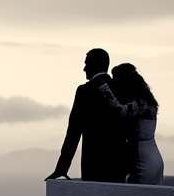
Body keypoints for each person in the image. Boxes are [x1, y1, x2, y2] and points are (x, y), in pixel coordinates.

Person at [45, 48, 127, 182]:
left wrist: (62, 168)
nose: (84, 69)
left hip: (94, 163)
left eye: (87, 63)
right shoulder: (121, 88)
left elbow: (73, 131)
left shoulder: (85, 90)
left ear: (96, 64)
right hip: (118, 165)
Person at [97, 63, 164, 185]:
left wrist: (104, 88)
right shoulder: (147, 102)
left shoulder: (141, 103)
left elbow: (120, 111)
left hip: (143, 161)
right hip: (152, 157)